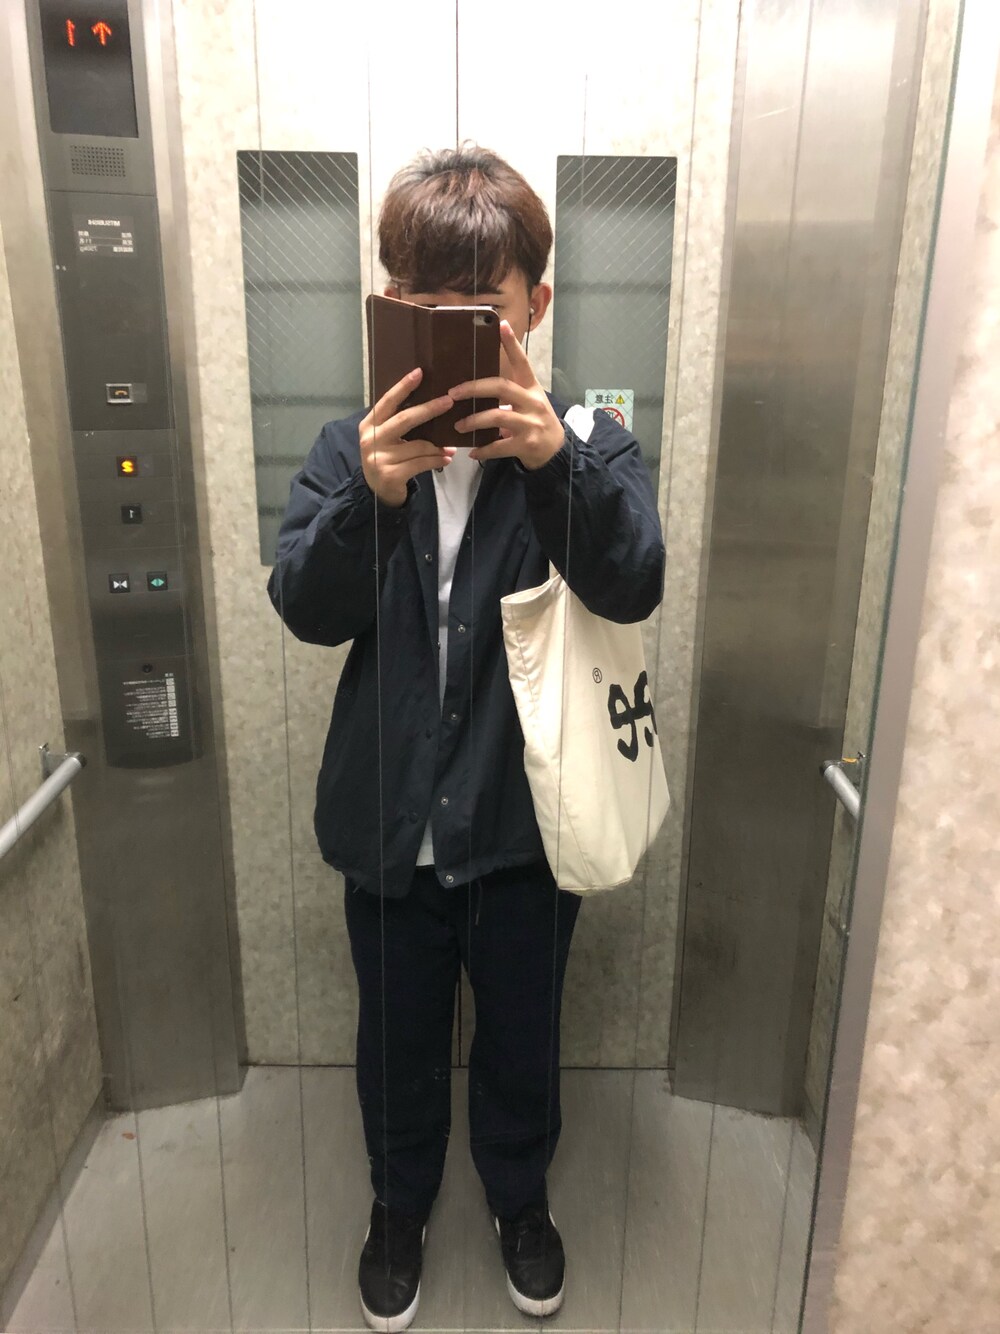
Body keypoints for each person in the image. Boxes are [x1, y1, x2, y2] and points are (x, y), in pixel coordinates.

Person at [267, 143, 665, 1332]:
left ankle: (518, 1200)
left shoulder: (587, 441)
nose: (445, 333)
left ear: (533, 305)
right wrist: (372, 499)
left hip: (523, 830)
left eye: (475, 309)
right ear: (388, 307)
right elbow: (304, 607)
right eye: (419, 304)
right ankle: (398, 1207)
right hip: (389, 825)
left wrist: (554, 465)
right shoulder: (350, 451)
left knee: (521, 1039)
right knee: (392, 1040)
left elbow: (633, 580)